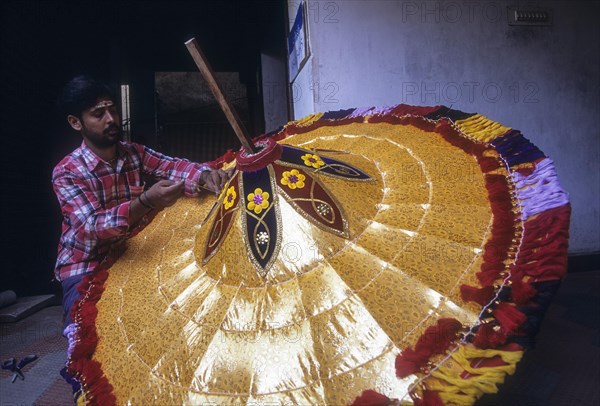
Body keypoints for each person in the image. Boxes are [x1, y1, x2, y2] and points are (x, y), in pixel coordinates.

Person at [53, 75, 230, 330]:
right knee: (86, 333)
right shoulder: (67, 172)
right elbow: (93, 228)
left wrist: (203, 175)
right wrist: (146, 201)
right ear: (75, 122)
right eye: (98, 114)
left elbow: (174, 167)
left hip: (129, 253)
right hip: (84, 263)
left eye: (112, 109)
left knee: (170, 312)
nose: (111, 119)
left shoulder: (133, 153)